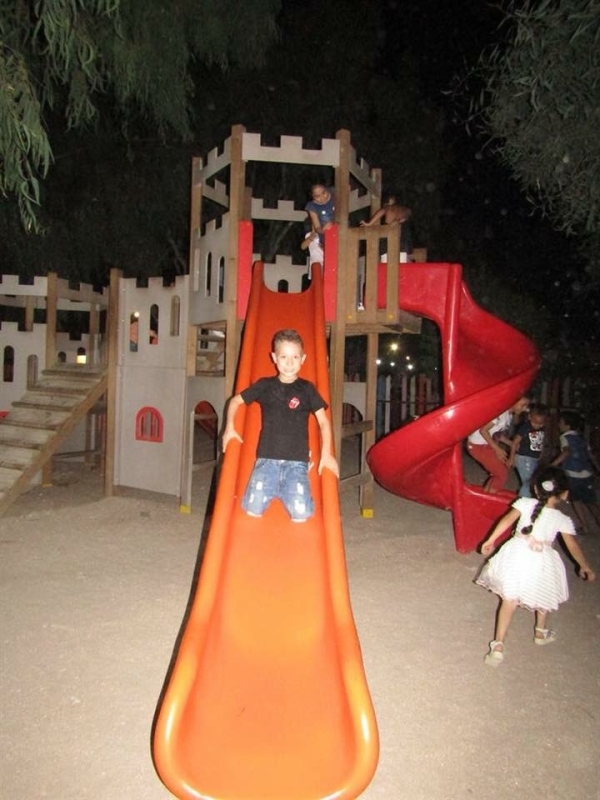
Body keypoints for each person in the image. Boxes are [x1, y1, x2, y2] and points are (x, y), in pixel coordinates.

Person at [476, 466, 595, 667]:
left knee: (509, 600)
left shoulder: (524, 503)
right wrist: (584, 566)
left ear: (536, 489)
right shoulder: (562, 519)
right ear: (564, 494)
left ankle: (498, 646)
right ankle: (540, 632)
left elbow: (507, 520)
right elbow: (572, 545)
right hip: (543, 560)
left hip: (516, 554)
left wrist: (491, 539)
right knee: (544, 593)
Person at [222, 328, 339, 522]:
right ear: (274, 358)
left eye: (295, 357)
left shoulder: (307, 389)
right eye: (284, 357)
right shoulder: (265, 385)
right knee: (252, 510)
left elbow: (324, 422)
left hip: (296, 463)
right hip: (266, 461)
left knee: (302, 515)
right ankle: (278, 489)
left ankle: (293, 485)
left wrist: (327, 454)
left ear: (303, 359)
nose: (289, 363)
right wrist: (229, 428)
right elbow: (235, 401)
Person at [467, 396, 530, 493]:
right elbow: (483, 431)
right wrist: (497, 449)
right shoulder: (500, 413)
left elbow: (496, 434)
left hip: (486, 445)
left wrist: (510, 443)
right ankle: (489, 497)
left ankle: (487, 494)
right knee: (501, 474)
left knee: (500, 471)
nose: (525, 409)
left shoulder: (508, 415)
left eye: (526, 406)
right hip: (477, 445)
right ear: (513, 401)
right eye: (523, 405)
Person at [551, 410, 599, 533]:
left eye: (561, 422)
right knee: (591, 502)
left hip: (573, 474)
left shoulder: (564, 437)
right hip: (587, 473)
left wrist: (553, 464)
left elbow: (566, 452)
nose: (559, 425)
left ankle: (584, 526)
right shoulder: (582, 438)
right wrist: (597, 468)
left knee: (576, 501)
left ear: (567, 425)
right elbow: (591, 455)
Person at [509, 402, 549, 497]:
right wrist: (511, 457)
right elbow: (515, 442)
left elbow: (540, 442)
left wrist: (540, 454)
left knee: (532, 479)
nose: (537, 426)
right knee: (528, 481)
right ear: (529, 417)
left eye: (540, 423)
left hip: (533, 458)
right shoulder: (525, 427)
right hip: (524, 458)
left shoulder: (542, 428)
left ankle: (526, 496)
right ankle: (523, 499)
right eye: (535, 423)